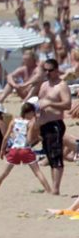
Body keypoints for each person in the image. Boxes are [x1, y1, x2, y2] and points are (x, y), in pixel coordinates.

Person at [0, 101, 51, 194]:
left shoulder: (14, 121)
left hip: (14, 150)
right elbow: (28, 140)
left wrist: (2, 150)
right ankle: (49, 190)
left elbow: (6, 137)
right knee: (37, 172)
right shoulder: (30, 123)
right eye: (33, 112)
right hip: (25, 150)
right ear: (28, 113)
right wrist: (37, 138)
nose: (34, 115)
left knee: (4, 173)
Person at [37, 57, 70, 195]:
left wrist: (50, 104)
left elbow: (67, 104)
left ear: (56, 71)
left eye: (50, 70)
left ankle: (56, 189)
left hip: (55, 123)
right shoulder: (44, 85)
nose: (47, 73)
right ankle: (53, 187)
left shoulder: (61, 85)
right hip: (43, 124)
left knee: (56, 155)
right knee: (49, 156)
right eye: (45, 70)